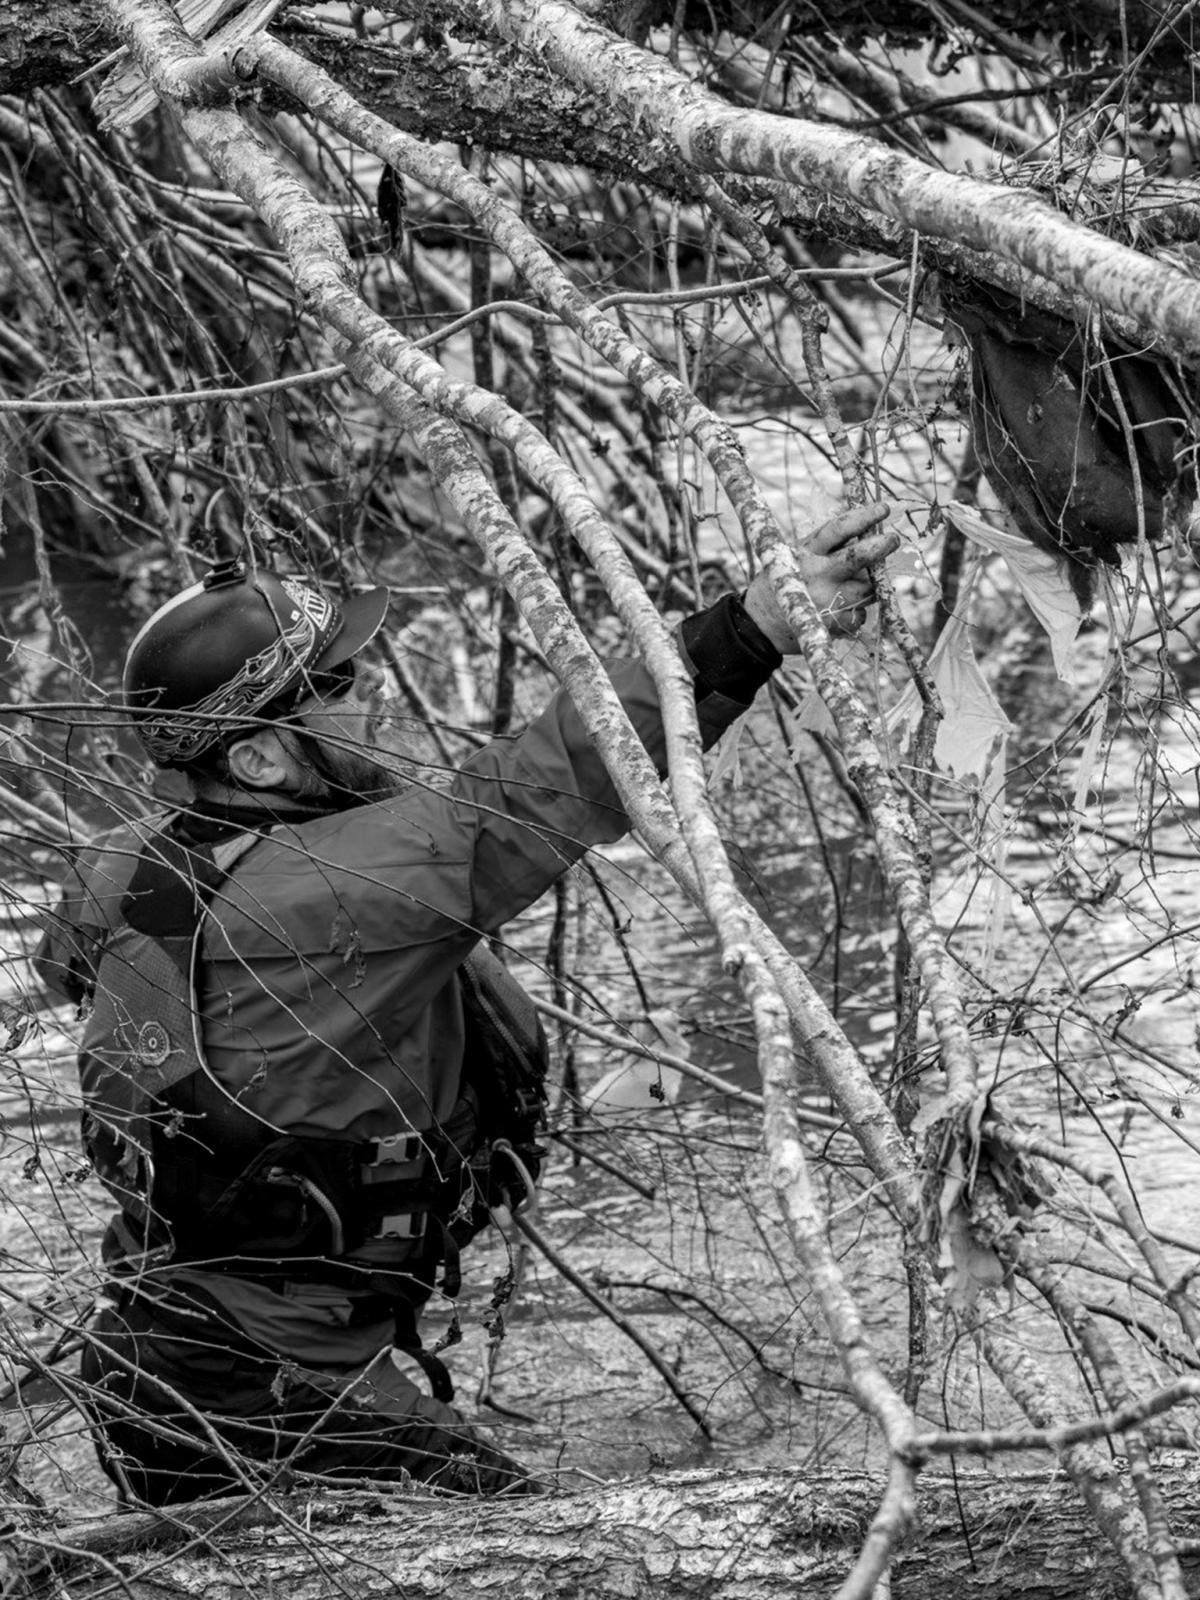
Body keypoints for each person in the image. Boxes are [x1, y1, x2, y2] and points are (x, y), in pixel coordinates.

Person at [34, 505, 895, 1506]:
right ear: (262, 759)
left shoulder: (117, 864)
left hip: (140, 1359)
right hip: (275, 1390)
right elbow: (554, 778)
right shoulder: (351, 890)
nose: (378, 703)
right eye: (341, 689)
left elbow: (72, 969)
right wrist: (753, 629)